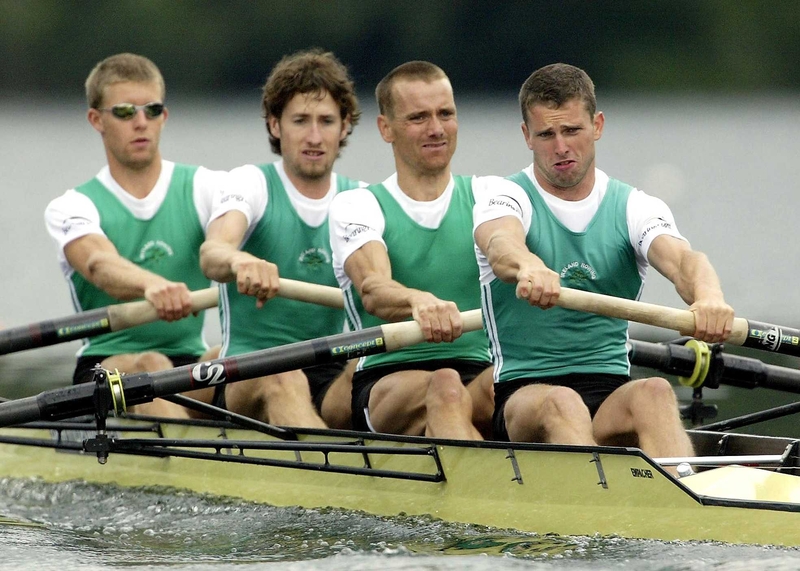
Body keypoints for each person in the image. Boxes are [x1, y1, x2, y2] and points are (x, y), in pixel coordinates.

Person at [473, 63, 734, 461]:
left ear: (597, 125)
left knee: (655, 391)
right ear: (527, 136)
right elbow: (500, 243)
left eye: (572, 130)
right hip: (526, 397)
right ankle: (600, 507)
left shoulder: (633, 206)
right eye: (547, 134)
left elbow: (683, 261)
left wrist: (709, 296)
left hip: (609, 392)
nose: (561, 147)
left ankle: (684, 500)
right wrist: (528, 266)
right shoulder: (504, 196)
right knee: (562, 402)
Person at [329, 61, 503, 439]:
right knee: (444, 385)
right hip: (386, 382)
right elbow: (374, 288)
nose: (437, 129)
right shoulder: (357, 205)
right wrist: (417, 301)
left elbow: (514, 254)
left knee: (515, 383)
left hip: (477, 371)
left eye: (446, 114)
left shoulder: (490, 196)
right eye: (419, 117)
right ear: (385, 128)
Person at [44, 53, 222, 418]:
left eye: (152, 110)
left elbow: (231, 245)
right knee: (150, 364)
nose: (141, 122)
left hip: (189, 361)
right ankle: (188, 464)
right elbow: (99, 264)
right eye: (125, 112)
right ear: (97, 120)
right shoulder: (73, 206)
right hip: (106, 363)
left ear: (164, 117)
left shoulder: (208, 187)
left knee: (241, 358)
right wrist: (152, 285)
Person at [199, 49, 362, 429]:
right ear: (275, 125)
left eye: (326, 121)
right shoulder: (251, 184)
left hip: (330, 371)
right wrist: (241, 261)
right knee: (284, 378)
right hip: (251, 369)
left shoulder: (361, 201)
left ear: (345, 127)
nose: (315, 136)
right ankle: (329, 478)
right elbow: (213, 253)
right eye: (300, 121)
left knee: (376, 370)